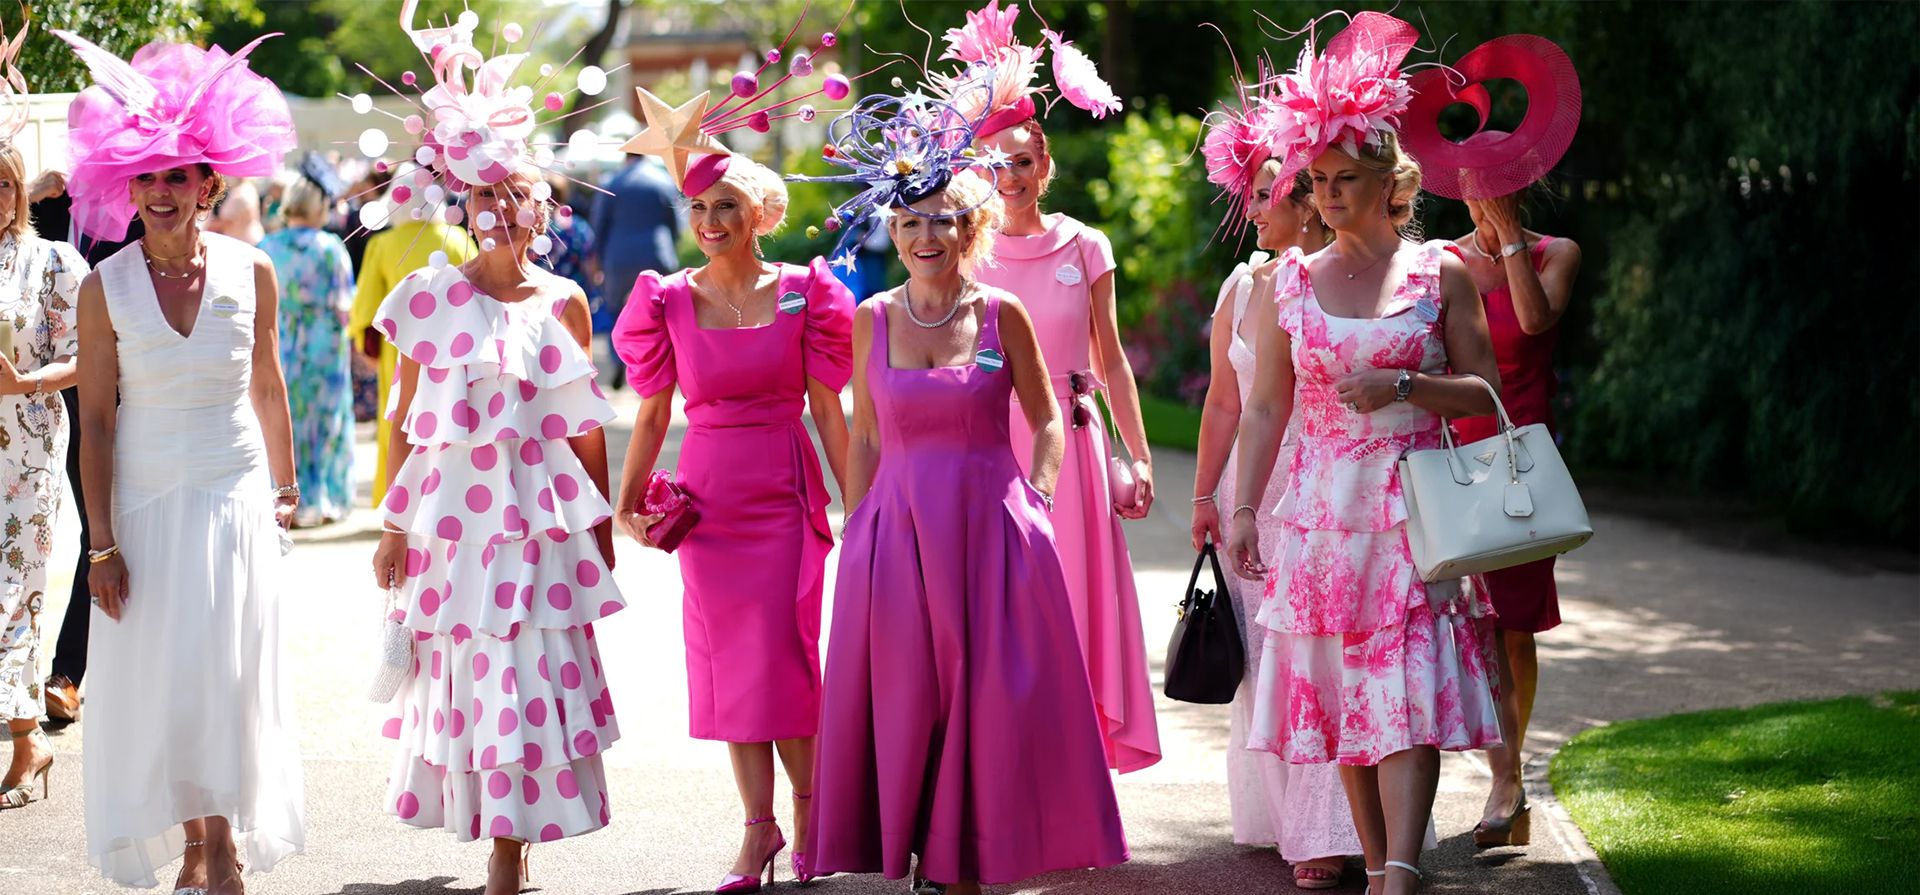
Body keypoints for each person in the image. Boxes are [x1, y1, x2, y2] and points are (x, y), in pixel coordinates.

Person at [798, 76, 1128, 895]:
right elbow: (866, 433)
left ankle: (969, 857)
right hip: (896, 533)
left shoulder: (1004, 310)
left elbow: (1049, 420)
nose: (926, 234)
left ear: (970, 224)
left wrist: (1040, 503)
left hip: (993, 527)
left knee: (987, 696)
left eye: (943, 218)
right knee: (911, 697)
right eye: (910, 221)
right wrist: (858, 522)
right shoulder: (870, 316)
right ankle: (916, 848)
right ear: (894, 230)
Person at [1222, 14, 1502, 895]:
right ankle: (1381, 863)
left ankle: (1403, 872)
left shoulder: (1440, 272)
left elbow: (1487, 396)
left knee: (1407, 694)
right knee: (1341, 705)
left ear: (1392, 183)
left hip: (1412, 511)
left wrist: (1407, 387)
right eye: (1317, 181)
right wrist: (1238, 509)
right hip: (1318, 516)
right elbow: (1265, 405)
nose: (1327, 195)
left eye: (1346, 179)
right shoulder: (1288, 283)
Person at [362, 8, 625, 893]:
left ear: (544, 209)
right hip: (455, 531)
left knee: (530, 666)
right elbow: (403, 421)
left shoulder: (564, 302)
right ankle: (494, 831)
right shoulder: (425, 296)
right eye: (486, 194)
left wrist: (602, 523)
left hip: (543, 527)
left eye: (518, 195)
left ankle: (512, 845)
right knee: (476, 673)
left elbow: (580, 425)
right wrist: (393, 526)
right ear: (463, 202)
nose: (501, 209)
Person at [56, 28, 305, 891]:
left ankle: (219, 842)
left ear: (210, 182)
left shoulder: (254, 269)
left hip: (236, 495)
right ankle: (204, 840)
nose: (163, 192)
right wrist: (100, 540)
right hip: (147, 500)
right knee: (169, 683)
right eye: (148, 176)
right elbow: (93, 420)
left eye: (179, 175)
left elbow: (269, 388)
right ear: (128, 187)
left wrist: (287, 486)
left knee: (228, 673)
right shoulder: (104, 287)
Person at [609, 58, 857, 887]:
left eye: (726, 207)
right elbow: (650, 412)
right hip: (708, 506)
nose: (710, 219)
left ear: (759, 214)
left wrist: (863, 507)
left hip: (784, 496)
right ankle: (759, 832)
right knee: (734, 668)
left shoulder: (803, 292)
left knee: (789, 656)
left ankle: (815, 816)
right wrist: (626, 502)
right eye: (700, 207)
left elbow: (829, 410)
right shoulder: (665, 299)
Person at [931, 0, 1161, 774]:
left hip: (1075, 439)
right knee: (1003, 606)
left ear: (1046, 164)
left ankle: (1077, 763)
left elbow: (1114, 357)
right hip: (993, 446)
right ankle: (1009, 759)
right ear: (973, 168)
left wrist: (1141, 455)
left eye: (1023, 160)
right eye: (993, 162)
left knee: (1073, 599)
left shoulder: (1085, 244)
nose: (1011, 176)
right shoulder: (964, 252)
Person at [1192, 104, 1355, 883]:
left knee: (1326, 656)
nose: (1250, 207)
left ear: (1307, 204)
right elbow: (1228, 400)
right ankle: (1290, 814)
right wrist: (1207, 498)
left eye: (1266, 193)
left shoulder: (1350, 283)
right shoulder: (1240, 285)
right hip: (1255, 481)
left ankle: (1337, 826)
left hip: (1326, 477)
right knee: (1266, 659)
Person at [1445, 185, 1581, 849]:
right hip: (1454, 460)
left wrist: (1510, 240)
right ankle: (1503, 773)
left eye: (1499, 186)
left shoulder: (1559, 253)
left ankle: (1510, 778)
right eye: (1475, 185)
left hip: (1525, 466)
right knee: (1473, 626)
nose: (1485, 196)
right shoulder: (1442, 261)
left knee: (1516, 626)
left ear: (1524, 186)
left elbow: (1532, 321)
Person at [0, 138, 85, 810]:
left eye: (5, 185)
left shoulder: (52, 263)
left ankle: (27, 737)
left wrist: (27, 379)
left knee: (13, 593)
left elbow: (81, 357)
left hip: (23, 455)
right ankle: (29, 737)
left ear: (22, 193)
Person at [349, 166, 478, 509]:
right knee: (453, 419)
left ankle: (398, 499)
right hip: (456, 347)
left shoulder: (382, 243)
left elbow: (366, 306)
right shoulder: (457, 238)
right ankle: (448, 498)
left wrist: (366, 346)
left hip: (400, 351)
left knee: (398, 422)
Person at [259, 173, 356, 526]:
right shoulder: (330, 246)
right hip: (324, 342)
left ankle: (285, 497)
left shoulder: (268, 246)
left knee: (284, 419)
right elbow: (345, 300)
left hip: (280, 337)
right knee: (326, 423)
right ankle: (323, 498)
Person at [591, 154, 682, 388]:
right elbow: (675, 223)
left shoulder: (612, 183)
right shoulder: (663, 180)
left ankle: (621, 359)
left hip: (618, 256)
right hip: (657, 253)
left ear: (626, 157)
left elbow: (599, 225)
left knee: (615, 312)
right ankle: (659, 367)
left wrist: (597, 259)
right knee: (662, 313)